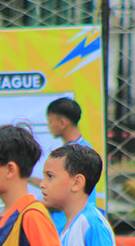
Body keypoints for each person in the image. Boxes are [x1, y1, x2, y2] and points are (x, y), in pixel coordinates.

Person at [40, 98, 96, 233]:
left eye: (50, 121)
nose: (49, 126)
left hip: (71, 226)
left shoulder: (79, 154)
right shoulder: (74, 150)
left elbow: (65, 196)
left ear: (62, 123)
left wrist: (32, 206)